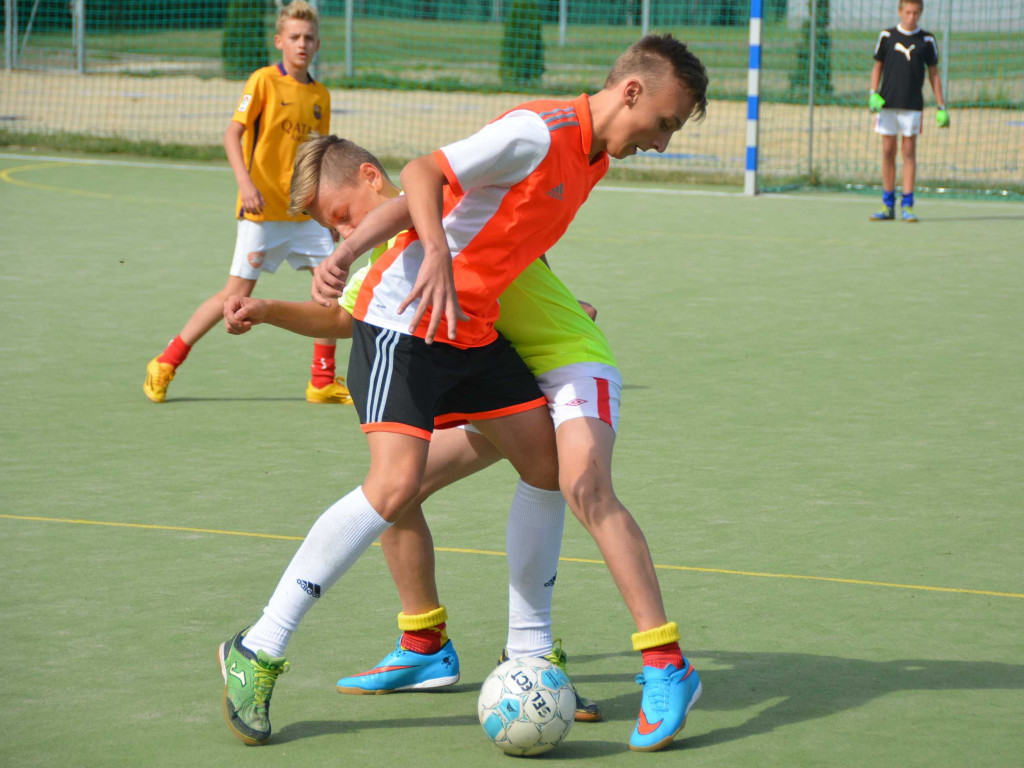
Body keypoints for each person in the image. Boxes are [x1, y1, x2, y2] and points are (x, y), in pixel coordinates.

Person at [217, 34, 708, 753]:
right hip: (402, 324)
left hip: (471, 333)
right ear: (633, 91)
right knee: (394, 488)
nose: (663, 141)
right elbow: (425, 173)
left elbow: (498, 232)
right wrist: (393, 255)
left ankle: (530, 653)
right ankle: (258, 649)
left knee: (547, 468)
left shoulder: (593, 156)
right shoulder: (540, 131)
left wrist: (356, 248)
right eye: (665, 122)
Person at [143, 1, 350, 405]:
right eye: (294, 38)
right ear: (280, 42)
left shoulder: (320, 95)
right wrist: (245, 183)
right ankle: (166, 362)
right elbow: (230, 134)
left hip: (305, 214)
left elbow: (317, 159)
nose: (302, 44)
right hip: (261, 213)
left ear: (318, 43)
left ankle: (322, 381)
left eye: (309, 38)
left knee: (329, 293)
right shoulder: (262, 82)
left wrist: (326, 213)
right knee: (232, 296)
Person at [868, 0, 948, 223]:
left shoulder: (927, 40)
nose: (911, 17)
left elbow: (934, 74)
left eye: (916, 13)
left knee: (909, 151)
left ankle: (908, 205)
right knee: (887, 151)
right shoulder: (887, 36)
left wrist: (941, 106)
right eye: (908, 12)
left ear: (920, 13)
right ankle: (887, 204)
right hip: (887, 104)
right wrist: (872, 93)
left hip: (912, 105)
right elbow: (877, 67)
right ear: (900, 12)